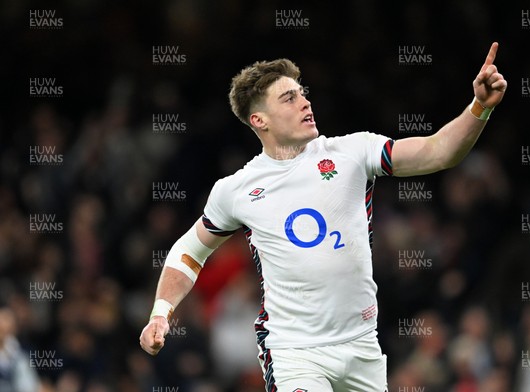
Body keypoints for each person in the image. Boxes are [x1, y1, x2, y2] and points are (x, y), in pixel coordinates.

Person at [140, 42, 507, 391]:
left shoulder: (352, 152)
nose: (304, 102)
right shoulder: (236, 189)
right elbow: (189, 251)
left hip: (362, 344)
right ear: (259, 119)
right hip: (295, 352)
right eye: (289, 98)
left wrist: (479, 108)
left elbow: (437, 151)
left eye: (303, 93)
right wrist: (161, 312)